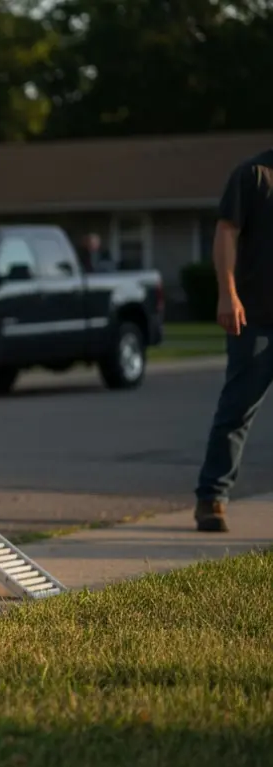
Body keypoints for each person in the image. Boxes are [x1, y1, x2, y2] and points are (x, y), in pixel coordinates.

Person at [193, 151, 273, 531]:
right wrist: (228, 293)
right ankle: (211, 498)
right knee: (237, 410)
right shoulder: (252, 176)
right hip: (256, 318)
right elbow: (226, 232)